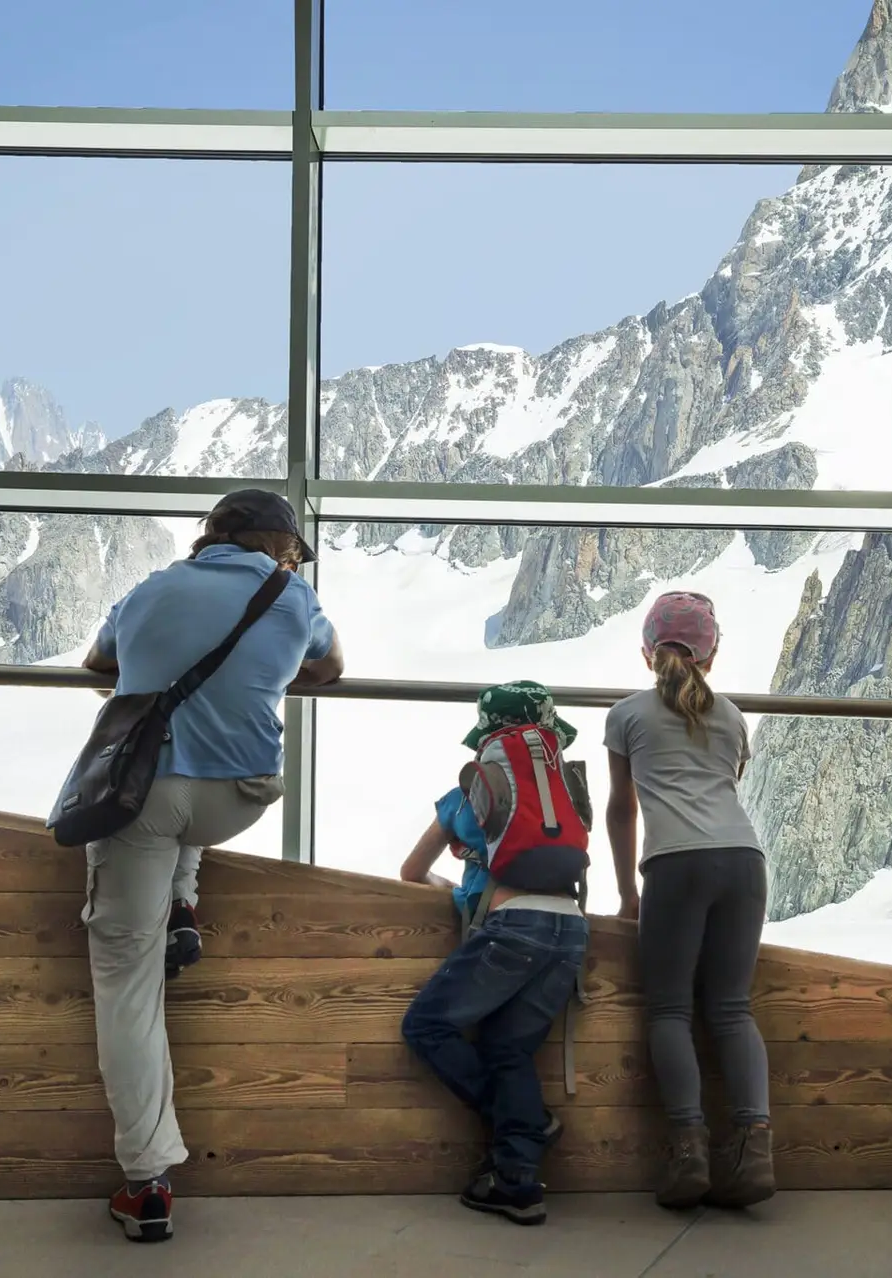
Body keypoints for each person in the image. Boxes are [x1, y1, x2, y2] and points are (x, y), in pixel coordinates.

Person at [78, 489, 343, 1244]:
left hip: (143, 799)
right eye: (292, 551)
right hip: (241, 798)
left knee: (126, 985)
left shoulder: (150, 590)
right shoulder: (291, 594)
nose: (294, 563)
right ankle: (183, 904)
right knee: (195, 783)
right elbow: (332, 667)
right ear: (274, 547)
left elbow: (99, 663)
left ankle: (147, 1184)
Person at [398, 681, 592, 1227]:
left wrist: (452, 885)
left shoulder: (466, 799)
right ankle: (517, 1183)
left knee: (427, 1027)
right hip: (571, 930)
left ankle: (525, 1122)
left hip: (513, 927)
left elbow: (412, 873)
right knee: (509, 1051)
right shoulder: (565, 788)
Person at [606, 591, 775, 1210]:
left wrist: (628, 893)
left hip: (675, 866)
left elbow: (622, 810)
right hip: (744, 862)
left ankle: (689, 1155)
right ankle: (754, 1148)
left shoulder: (627, 715)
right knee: (732, 1008)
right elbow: (724, 792)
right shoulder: (732, 717)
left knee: (671, 1010)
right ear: (713, 654)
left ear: (647, 651)